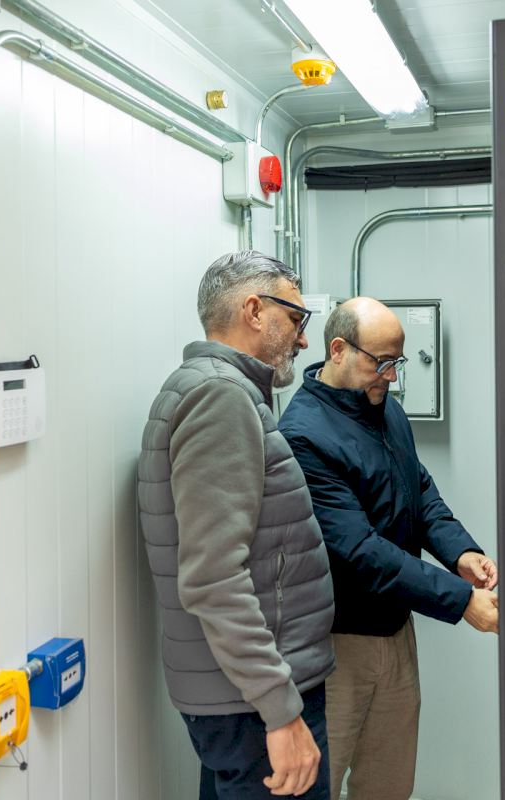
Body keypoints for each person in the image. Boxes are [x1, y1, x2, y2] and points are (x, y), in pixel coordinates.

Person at [278, 297, 500, 800]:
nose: (392, 377)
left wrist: (460, 553)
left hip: (396, 632)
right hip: (337, 646)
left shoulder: (387, 410)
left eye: (396, 362)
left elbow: (417, 488)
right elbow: (360, 550)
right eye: (380, 362)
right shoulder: (303, 436)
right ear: (338, 350)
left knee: (389, 785)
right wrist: (461, 601)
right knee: (319, 786)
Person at [137, 250, 336, 799]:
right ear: (253, 310)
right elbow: (214, 577)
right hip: (254, 702)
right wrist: (280, 709)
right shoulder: (220, 397)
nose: (303, 339)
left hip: (242, 695)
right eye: (295, 319)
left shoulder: (216, 390)